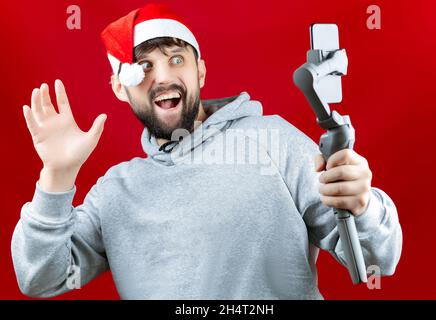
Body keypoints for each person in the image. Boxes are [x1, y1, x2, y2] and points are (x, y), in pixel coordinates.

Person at [11, 3, 402, 299]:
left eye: (176, 59)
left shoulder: (273, 142)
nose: (162, 76)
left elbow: (374, 261)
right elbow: (40, 277)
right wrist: (57, 178)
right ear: (119, 88)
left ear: (199, 71)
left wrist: (363, 206)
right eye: (142, 66)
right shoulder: (115, 192)